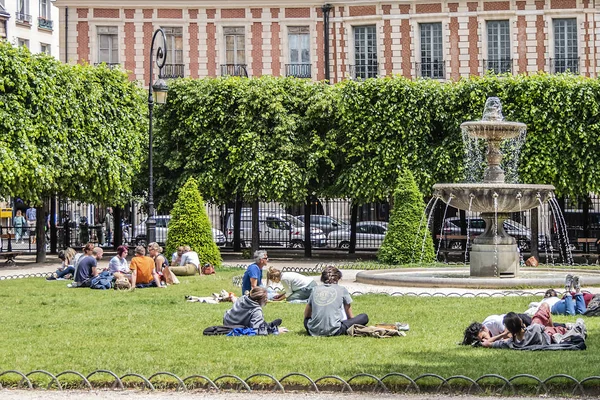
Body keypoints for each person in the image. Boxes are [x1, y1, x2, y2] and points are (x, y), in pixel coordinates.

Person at [482, 303, 585, 348]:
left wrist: (502, 335)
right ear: (521, 322)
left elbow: (486, 343)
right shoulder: (534, 328)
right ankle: (567, 327)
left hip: (542, 335)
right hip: (549, 336)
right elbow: (540, 327)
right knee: (544, 307)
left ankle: (567, 327)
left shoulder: (511, 343)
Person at [304, 266, 369, 337]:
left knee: (306, 320)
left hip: (313, 330)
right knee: (364, 317)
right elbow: (350, 316)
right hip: (335, 330)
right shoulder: (342, 289)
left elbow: (307, 315)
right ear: (338, 278)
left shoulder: (315, 289)